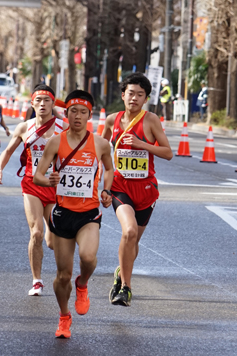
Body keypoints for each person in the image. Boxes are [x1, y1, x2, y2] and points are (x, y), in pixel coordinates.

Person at [33, 90, 114, 338]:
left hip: (88, 213)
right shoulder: (55, 142)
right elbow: (38, 175)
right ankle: (64, 316)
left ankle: (83, 284)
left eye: (83, 112)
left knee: (88, 258)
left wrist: (106, 190)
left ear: (90, 115)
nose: (78, 116)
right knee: (62, 275)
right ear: (66, 113)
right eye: (73, 111)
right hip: (62, 214)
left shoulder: (101, 143)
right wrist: (49, 181)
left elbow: (109, 169)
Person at [101, 73, 173, 306]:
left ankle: (120, 272)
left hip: (146, 190)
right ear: (123, 95)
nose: (134, 98)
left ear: (145, 99)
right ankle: (125, 288)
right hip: (120, 187)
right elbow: (100, 150)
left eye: (139, 95)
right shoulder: (112, 120)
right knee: (129, 232)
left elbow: (168, 153)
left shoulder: (151, 120)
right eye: (130, 93)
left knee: (133, 243)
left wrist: (142, 144)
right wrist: (101, 187)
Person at [0, 84, 68, 296]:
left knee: (52, 241)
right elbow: (7, 152)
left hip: (55, 186)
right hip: (31, 184)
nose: (43, 104)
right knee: (36, 232)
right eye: (39, 100)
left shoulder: (64, 127)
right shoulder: (24, 127)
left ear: (53, 103)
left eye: (47, 100)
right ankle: (37, 281)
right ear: (32, 103)